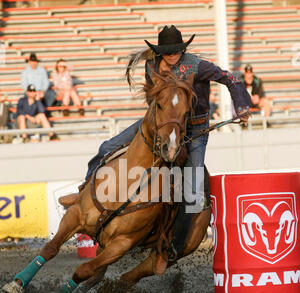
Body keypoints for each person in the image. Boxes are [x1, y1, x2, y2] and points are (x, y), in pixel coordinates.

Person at [60, 25, 251, 272]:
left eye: (176, 51)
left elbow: (230, 77)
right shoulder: (153, 67)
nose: (171, 55)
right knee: (107, 146)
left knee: (192, 192)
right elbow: (154, 101)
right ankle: (84, 192)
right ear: (160, 51)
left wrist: (242, 105)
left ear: (182, 49)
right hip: (158, 125)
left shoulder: (197, 66)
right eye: (167, 51)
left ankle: (171, 246)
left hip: (193, 131)